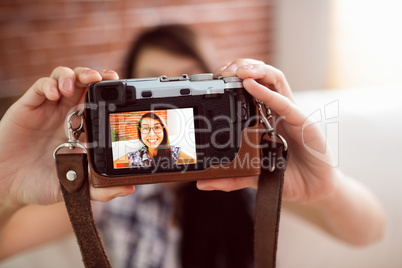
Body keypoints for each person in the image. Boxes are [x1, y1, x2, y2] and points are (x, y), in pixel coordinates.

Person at [0, 25, 385, 268]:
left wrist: (324, 188)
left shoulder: (248, 174)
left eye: (186, 88)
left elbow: (367, 232)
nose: (169, 106)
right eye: (151, 86)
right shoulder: (107, 194)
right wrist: (6, 186)